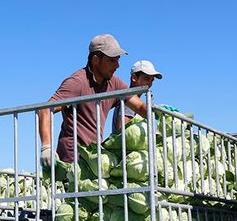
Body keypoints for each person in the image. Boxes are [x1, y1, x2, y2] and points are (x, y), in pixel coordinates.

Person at [38, 34, 148, 166]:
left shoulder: (114, 83)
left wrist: (159, 116)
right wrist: (46, 147)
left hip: (94, 158)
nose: (117, 65)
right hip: (72, 158)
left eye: (118, 60)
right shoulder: (77, 82)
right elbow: (45, 109)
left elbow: (139, 106)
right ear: (96, 59)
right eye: (112, 60)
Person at [111, 60, 162, 132]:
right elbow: (122, 131)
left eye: (152, 80)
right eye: (146, 78)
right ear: (134, 78)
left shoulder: (130, 98)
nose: (150, 83)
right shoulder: (129, 102)